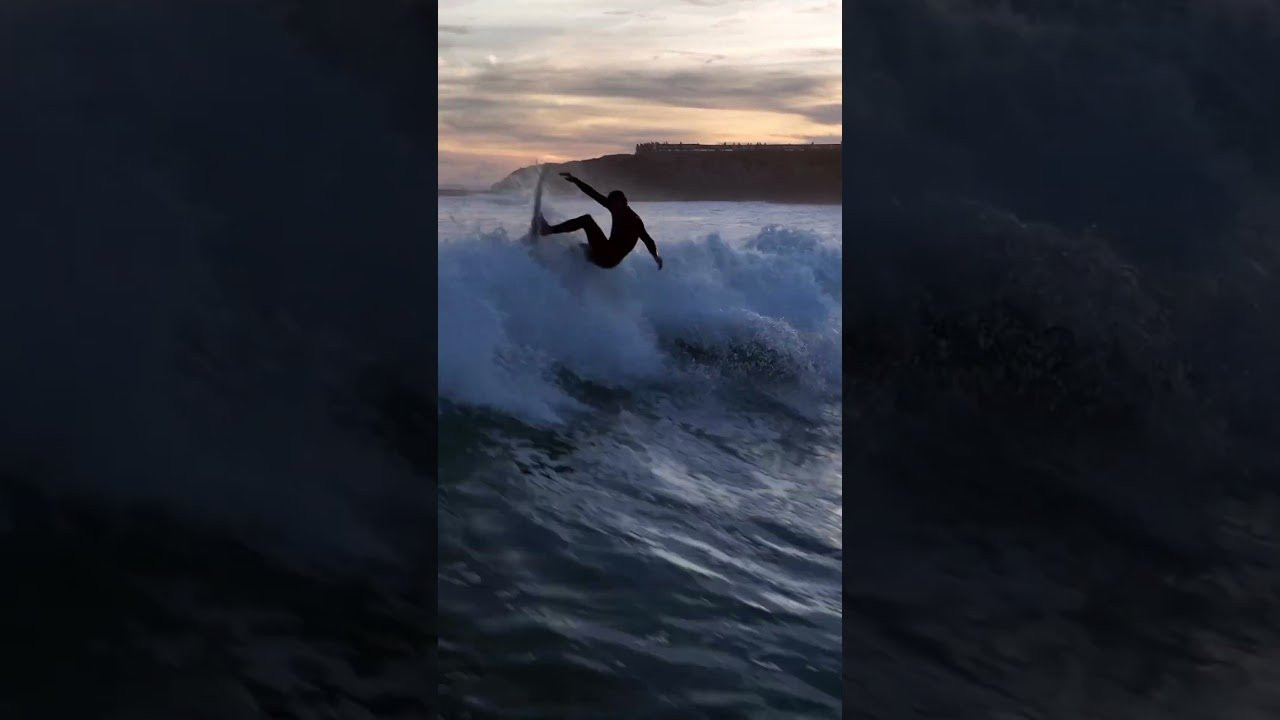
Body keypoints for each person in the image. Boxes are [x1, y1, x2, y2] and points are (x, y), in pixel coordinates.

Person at [539, 172, 663, 270]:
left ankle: (548, 230)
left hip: (607, 257)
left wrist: (656, 257)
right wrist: (576, 180)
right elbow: (593, 194)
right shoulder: (615, 207)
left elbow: (647, 239)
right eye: (611, 204)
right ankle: (559, 269)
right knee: (577, 248)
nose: (611, 206)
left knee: (586, 220)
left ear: (622, 202)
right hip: (604, 253)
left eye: (614, 204)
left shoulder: (633, 220)